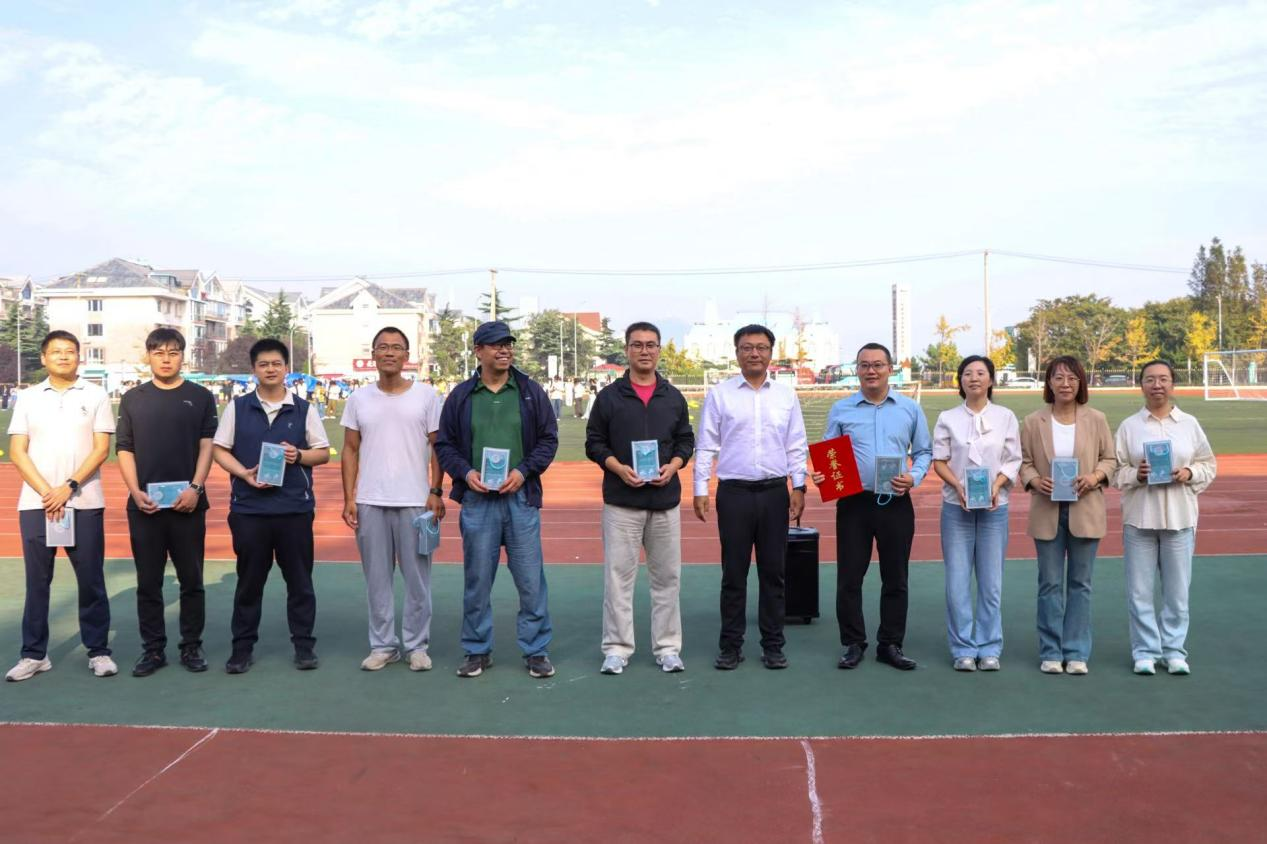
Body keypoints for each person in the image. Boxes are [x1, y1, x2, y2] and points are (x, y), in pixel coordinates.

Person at [435, 321, 559, 679]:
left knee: (531, 580)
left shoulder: (530, 391)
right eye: (495, 345)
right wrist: (465, 473)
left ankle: (536, 650)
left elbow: (548, 439)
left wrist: (523, 471)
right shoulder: (461, 396)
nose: (504, 350)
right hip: (478, 502)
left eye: (508, 344)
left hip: (520, 498)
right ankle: (477, 650)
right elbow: (444, 444)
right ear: (478, 351)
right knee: (477, 580)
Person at [212, 338, 330, 674]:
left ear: (286, 368)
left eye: (276, 363)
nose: (270, 369)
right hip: (249, 510)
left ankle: (304, 647)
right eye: (263, 364)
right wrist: (243, 474)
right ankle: (242, 649)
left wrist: (299, 455)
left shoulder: (304, 409)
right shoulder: (237, 407)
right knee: (249, 584)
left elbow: (322, 452)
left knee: (300, 583)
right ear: (254, 369)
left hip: (294, 510)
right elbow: (220, 449)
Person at [694, 324, 807, 670]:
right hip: (734, 494)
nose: (754, 353)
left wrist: (798, 486)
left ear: (771, 353)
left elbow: (796, 445)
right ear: (737, 353)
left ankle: (773, 645)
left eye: (761, 347)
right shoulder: (720, 394)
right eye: (747, 347)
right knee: (734, 574)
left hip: (774, 493)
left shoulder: (786, 396)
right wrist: (700, 488)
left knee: (774, 573)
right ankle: (731, 646)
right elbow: (706, 445)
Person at [5, 331, 117, 682]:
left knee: (91, 580)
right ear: (44, 358)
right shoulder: (28, 397)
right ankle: (33, 655)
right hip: (36, 504)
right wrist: (47, 492)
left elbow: (101, 449)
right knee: (38, 582)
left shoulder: (96, 395)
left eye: (70, 351)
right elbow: (17, 451)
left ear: (79, 356)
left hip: (84, 502)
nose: (63, 356)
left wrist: (68, 487)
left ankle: (98, 651)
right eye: (56, 351)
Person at [585, 322, 695, 675]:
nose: (644, 351)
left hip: (665, 502)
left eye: (650, 345)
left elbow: (685, 441)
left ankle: (668, 648)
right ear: (627, 350)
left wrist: (674, 466)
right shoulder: (609, 397)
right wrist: (617, 468)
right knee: (618, 579)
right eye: (637, 345)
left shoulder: (673, 397)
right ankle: (617, 648)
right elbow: (594, 443)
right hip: (622, 502)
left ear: (659, 350)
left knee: (667, 579)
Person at [815, 342, 931, 671]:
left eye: (878, 364)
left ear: (890, 369)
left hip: (896, 502)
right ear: (857, 370)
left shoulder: (909, 409)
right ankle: (853, 643)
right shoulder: (842, 409)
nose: (871, 371)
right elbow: (829, 451)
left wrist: (914, 477)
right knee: (850, 577)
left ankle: (890, 644)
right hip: (854, 503)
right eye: (864, 365)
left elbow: (924, 452)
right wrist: (823, 474)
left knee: (896, 577)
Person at [341, 327, 445, 672]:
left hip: (415, 502)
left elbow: (438, 448)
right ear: (373, 354)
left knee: (417, 580)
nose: (389, 353)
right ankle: (383, 645)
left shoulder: (427, 396)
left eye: (396, 348)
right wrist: (349, 497)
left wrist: (435, 491)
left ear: (406, 356)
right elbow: (350, 449)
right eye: (383, 347)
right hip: (370, 501)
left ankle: (417, 645)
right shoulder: (358, 399)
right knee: (377, 580)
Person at [116, 328, 219, 677]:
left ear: (182, 357)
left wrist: (196, 488)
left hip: (188, 505)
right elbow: (124, 448)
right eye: (158, 352)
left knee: (192, 580)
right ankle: (153, 649)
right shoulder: (133, 398)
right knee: (149, 583)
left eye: (173, 352)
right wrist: (134, 490)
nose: (165, 359)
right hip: (145, 506)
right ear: (148, 356)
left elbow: (207, 445)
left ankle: (191, 646)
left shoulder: (200, 396)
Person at [1112, 359, 1216, 675]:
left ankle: (1173, 651)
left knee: (1177, 593)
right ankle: (1145, 651)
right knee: (1139, 592)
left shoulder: (1189, 424)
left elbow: (1208, 465)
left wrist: (1189, 472)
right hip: (1140, 520)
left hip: (1180, 519)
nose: (1157, 385)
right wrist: (1137, 474)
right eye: (1150, 379)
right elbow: (1116, 472)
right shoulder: (1129, 426)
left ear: (1172, 384)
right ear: (1141, 385)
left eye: (1163, 379)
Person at [1017, 355, 1115, 675]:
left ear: (1081, 382)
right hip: (1047, 512)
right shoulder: (1033, 421)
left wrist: (1095, 477)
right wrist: (1034, 480)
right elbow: (1023, 461)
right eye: (1058, 377)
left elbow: (1110, 459)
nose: (1065, 384)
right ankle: (1050, 651)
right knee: (1049, 584)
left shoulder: (1096, 419)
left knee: (1080, 584)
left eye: (1072, 378)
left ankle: (1076, 652)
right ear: (1048, 382)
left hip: (1085, 511)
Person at [930, 356, 1020, 671]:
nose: (974, 378)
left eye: (981, 373)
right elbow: (939, 460)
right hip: (957, 510)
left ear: (991, 380)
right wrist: (958, 486)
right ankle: (963, 649)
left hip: (995, 510)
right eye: (967, 373)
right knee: (957, 584)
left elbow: (1013, 459)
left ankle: (990, 646)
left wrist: (996, 486)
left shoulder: (1006, 417)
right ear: (960, 381)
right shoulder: (948, 418)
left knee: (991, 584)